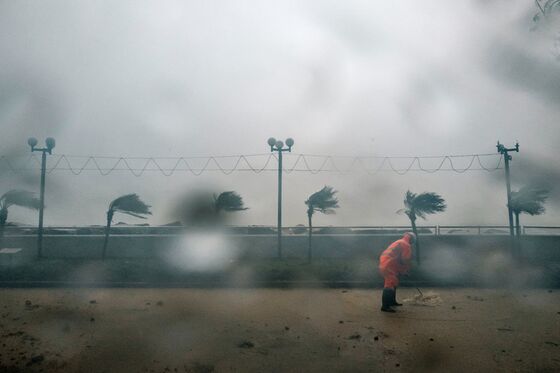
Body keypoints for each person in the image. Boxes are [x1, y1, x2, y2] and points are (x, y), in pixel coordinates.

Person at [378, 232, 415, 313]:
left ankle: (392, 302)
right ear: (411, 239)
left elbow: (398, 260)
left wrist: (402, 271)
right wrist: (406, 270)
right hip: (388, 264)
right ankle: (385, 306)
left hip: (386, 263)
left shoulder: (399, 242)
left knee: (394, 283)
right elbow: (405, 260)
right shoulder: (406, 245)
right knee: (390, 284)